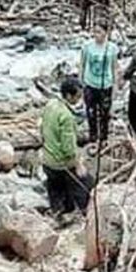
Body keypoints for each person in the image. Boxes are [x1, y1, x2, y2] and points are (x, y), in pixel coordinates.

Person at [41, 77, 92, 221]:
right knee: (84, 183)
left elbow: (42, 128)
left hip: (47, 158)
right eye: (77, 96)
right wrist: (78, 164)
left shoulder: (50, 105)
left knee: (55, 188)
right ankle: (84, 213)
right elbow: (68, 147)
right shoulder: (67, 117)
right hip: (61, 163)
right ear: (69, 96)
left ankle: (56, 210)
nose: (79, 100)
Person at [79, 22, 119, 144]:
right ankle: (92, 137)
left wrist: (115, 85)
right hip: (90, 84)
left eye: (99, 32)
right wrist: (81, 82)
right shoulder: (87, 46)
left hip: (105, 84)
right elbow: (82, 64)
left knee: (105, 114)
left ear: (106, 33)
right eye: (94, 32)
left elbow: (114, 67)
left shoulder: (112, 48)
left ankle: (103, 138)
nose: (96, 35)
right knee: (91, 113)